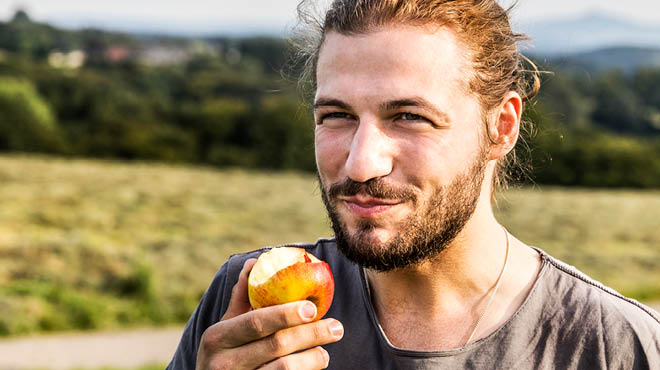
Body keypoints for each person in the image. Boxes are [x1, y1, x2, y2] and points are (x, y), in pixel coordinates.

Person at [167, 0, 660, 369]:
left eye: (409, 116)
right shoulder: (245, 308)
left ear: (502, 128)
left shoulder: (614, 345)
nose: (361, 165)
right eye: (336, 116)